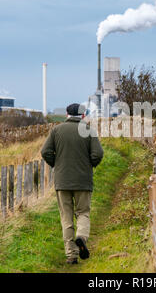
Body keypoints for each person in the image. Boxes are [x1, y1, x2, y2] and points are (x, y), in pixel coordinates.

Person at [41, 103, 104, 265]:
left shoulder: (56, 130)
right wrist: (88, 165)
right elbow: (98, 154)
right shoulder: (89, 130)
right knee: (83, 212)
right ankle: (81, 237)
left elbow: (45, 152)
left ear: (67, 114)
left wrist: (57, 164)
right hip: (83, 180)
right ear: (83, 116)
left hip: (62, 181)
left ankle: (71, 255)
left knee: (66, 218)